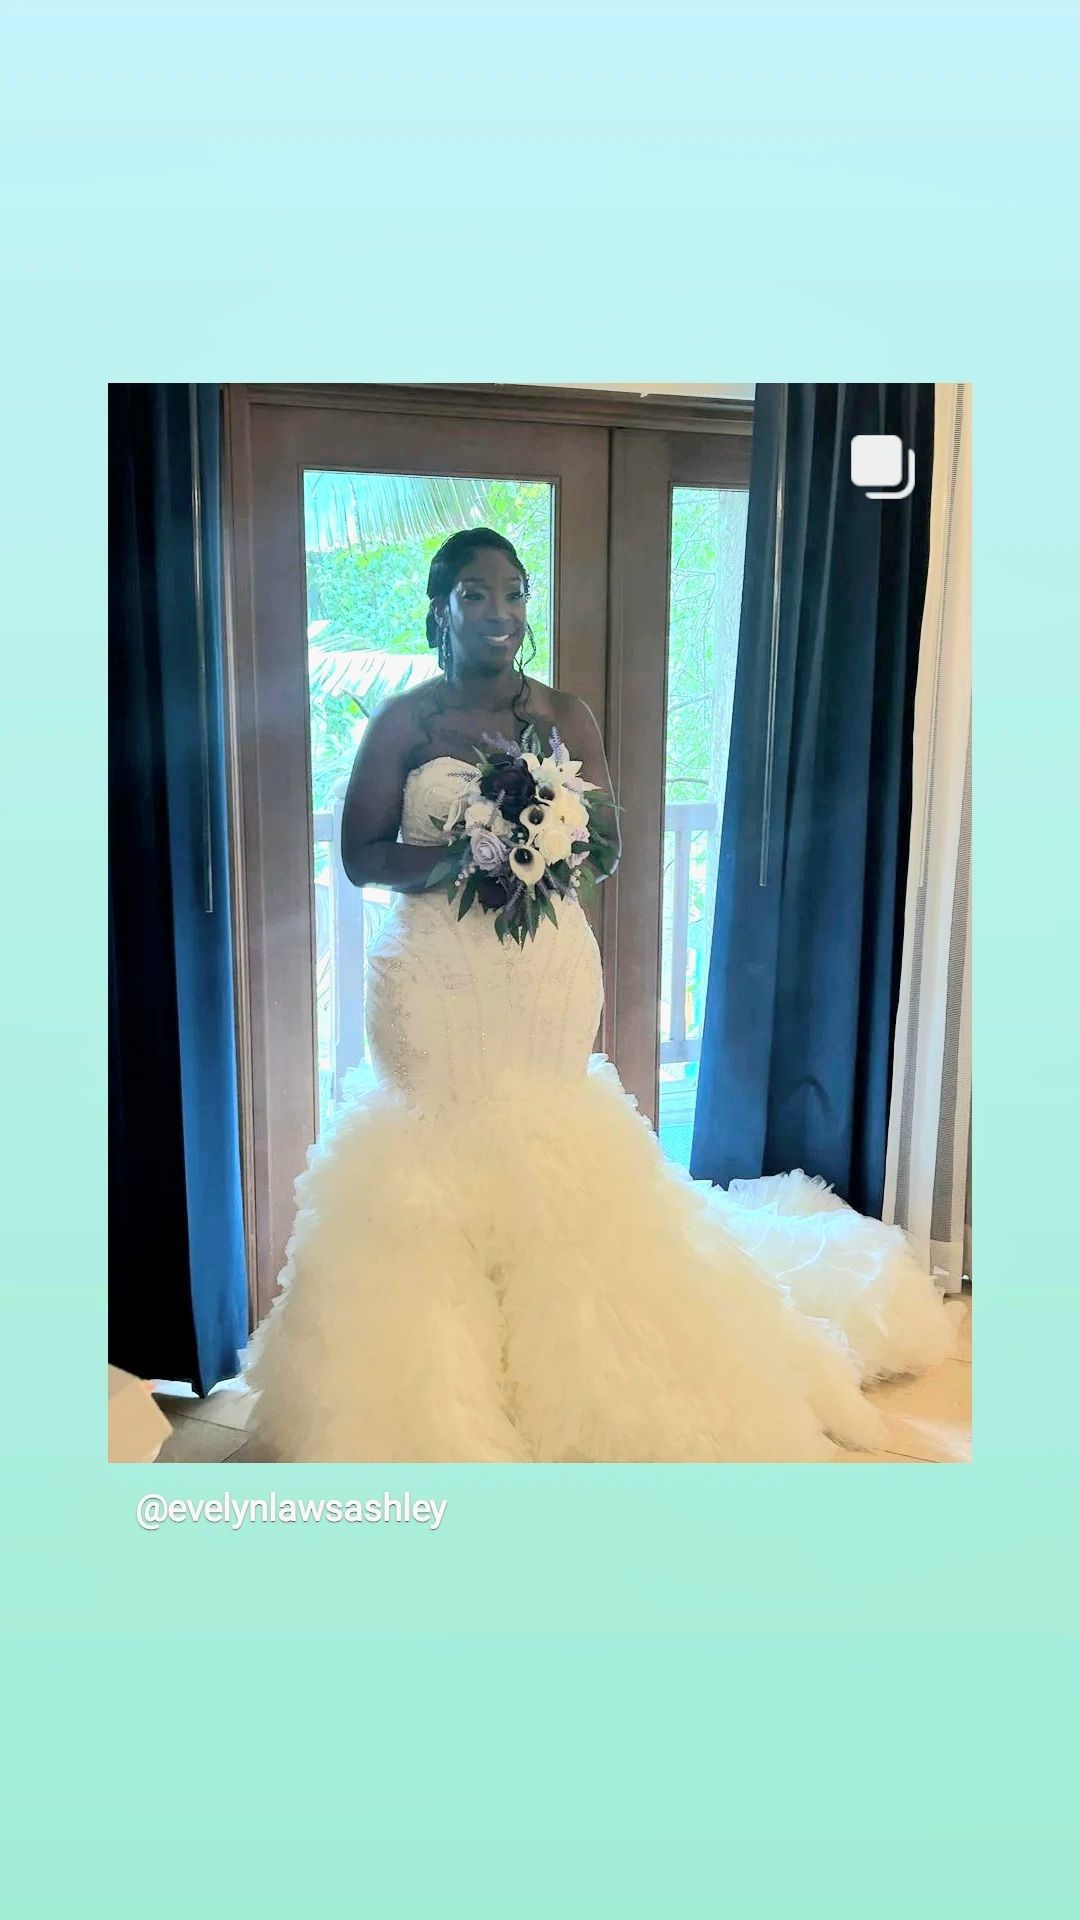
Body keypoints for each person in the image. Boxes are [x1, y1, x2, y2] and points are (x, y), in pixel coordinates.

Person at [242, 528, 956, 1462]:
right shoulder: (404, 723)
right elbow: (360, 854)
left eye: (514, 593)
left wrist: (544, 843)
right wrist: (463, 855)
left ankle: (582, 1383)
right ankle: (430, 1402)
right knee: (431, 1150)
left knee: (550, 1139)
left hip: (541, 971)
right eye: (475, 595)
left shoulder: (564, 715)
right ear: (439, 609)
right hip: (431, 977)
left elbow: (607, 846)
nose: (499, 612)